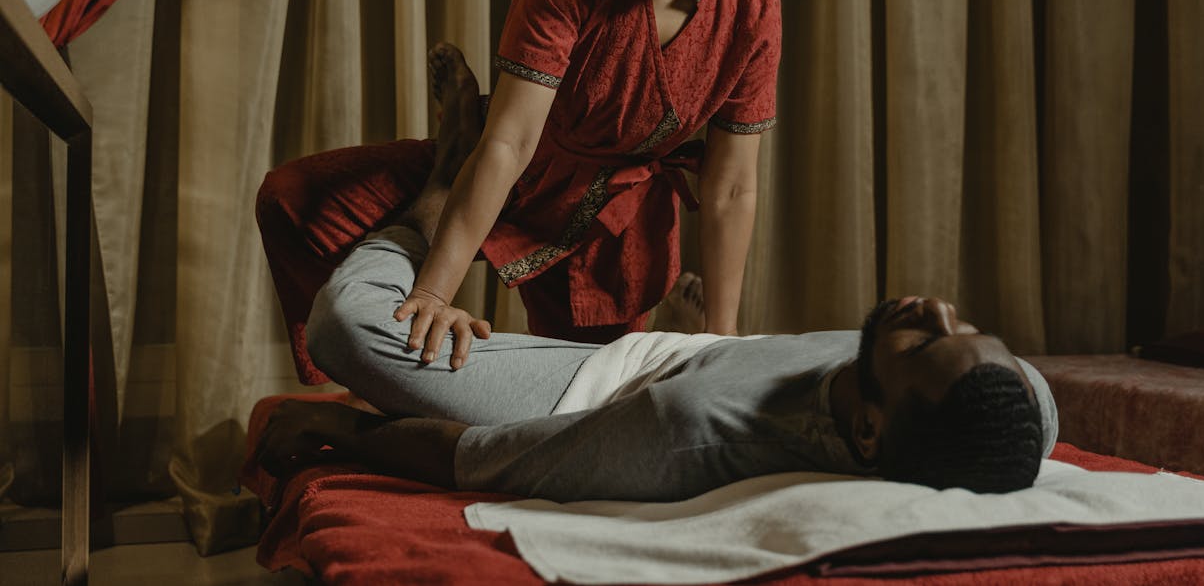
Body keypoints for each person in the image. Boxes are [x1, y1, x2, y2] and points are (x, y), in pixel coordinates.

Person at [255, 0, 794, 382]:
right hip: (513, 164)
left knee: (583, 399)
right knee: (294, 202)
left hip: (614, 222)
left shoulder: (755, 9)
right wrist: (433, 294)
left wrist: (720, 344)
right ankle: (451, 157)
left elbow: (730, 188)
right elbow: (510, 142)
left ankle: (673, 332)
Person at [254, 220, 1059, 502]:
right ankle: (695, 334)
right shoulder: (1023, 404)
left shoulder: (692, 429)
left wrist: (339, 428)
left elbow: (480, 461)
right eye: (964, 324)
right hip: (712, 354)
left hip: (599, 389)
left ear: (870, 429)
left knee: (345, 329)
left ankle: (430, 195)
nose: (932, 307)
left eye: (923, 341)